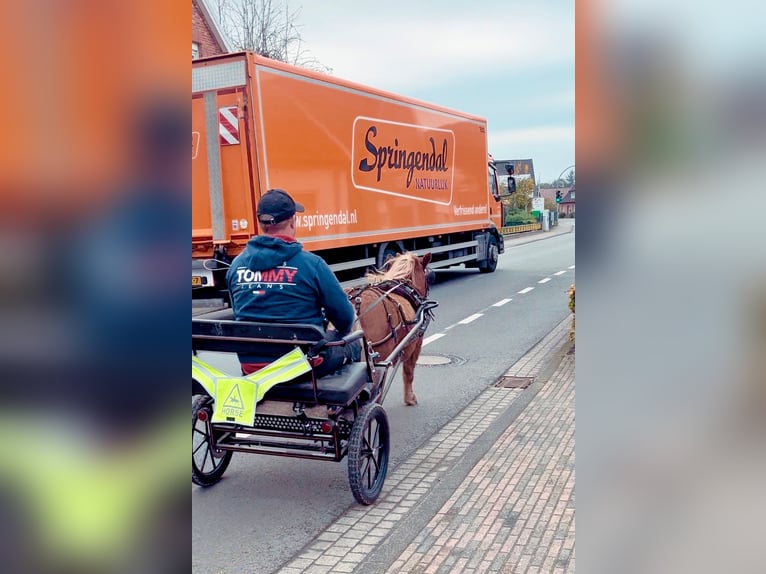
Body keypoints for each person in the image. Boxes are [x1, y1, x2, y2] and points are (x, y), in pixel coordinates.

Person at [226, 188, 360, 377]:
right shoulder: (312, 265)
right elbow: (345, 318)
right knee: (352, 342)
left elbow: (239, 310)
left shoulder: (236, 265)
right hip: (302, 367)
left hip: (252, 367)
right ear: (292, 220)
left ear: (260, 223)